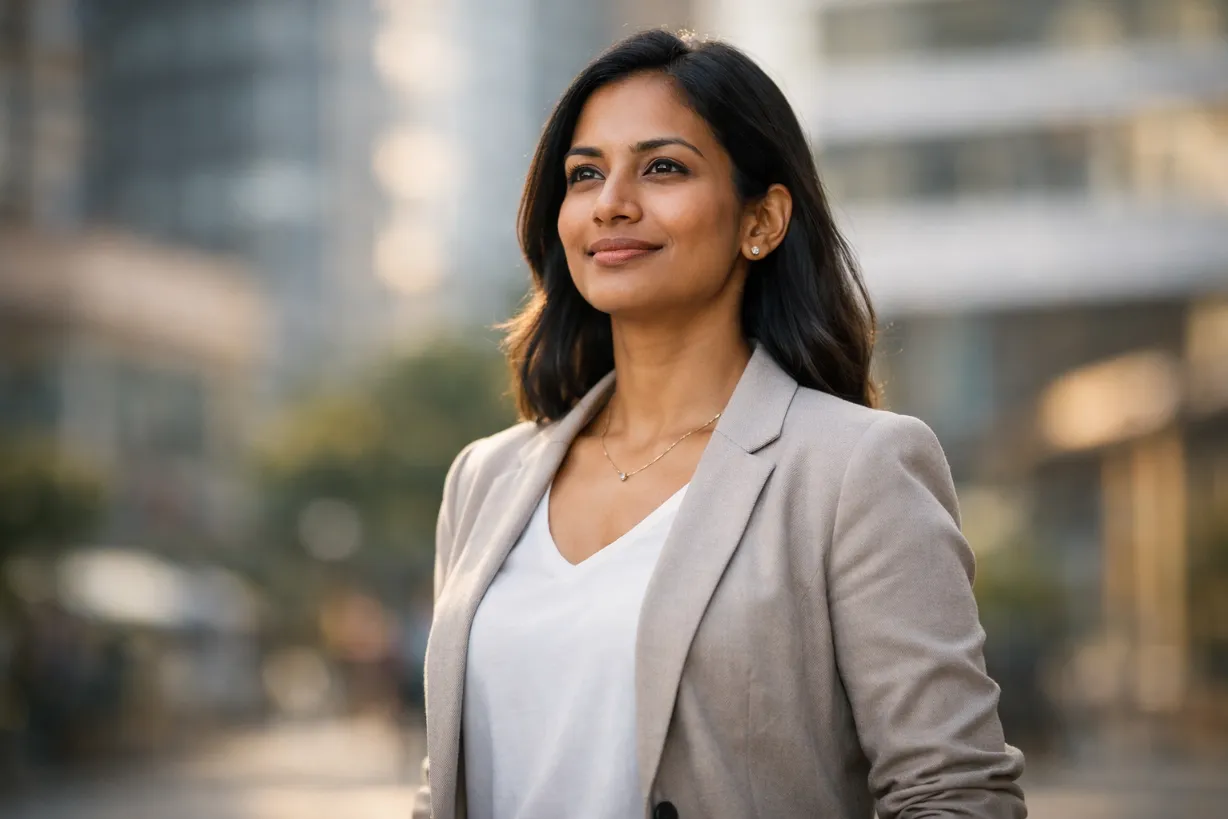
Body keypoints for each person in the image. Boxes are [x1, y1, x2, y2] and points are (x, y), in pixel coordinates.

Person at [414, 29, 1026, 819]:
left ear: (763, 220)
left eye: (663, 167)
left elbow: (955, 792)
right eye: (585, 173)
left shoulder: (854, 469)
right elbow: (445, 785)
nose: (612, 202)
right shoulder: (485, 479)